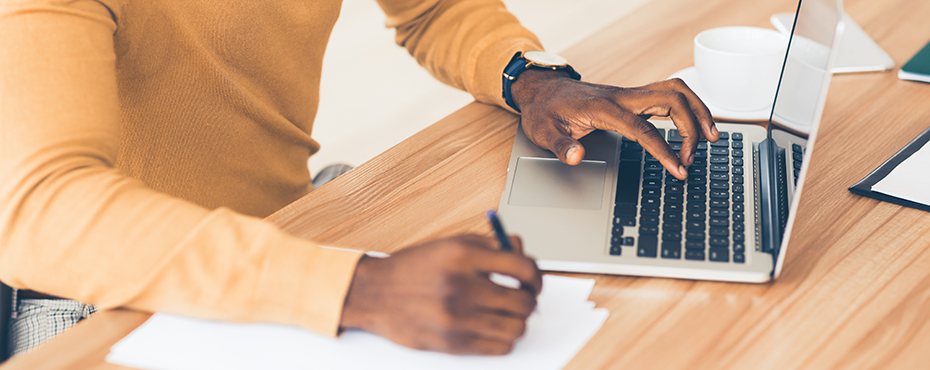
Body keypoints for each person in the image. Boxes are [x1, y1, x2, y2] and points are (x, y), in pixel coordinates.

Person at [0, 0, 717, 357]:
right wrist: (358, 288)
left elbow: (434, 9)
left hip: (284, 230)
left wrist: (532, 79)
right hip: (98, 299)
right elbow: (36, 208)